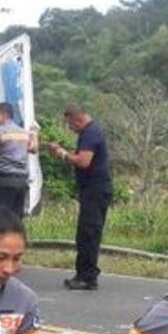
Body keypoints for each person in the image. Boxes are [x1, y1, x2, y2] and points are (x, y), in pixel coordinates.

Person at [47, 105, 112, 291]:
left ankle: (87, 276)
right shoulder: (91, 132)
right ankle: (83, 273)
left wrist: (62, 153)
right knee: (85, 233)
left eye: (70, 124)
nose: (70, 128)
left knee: (89, 234)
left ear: (78, 120)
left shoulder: (91, 134)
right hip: (92, 190)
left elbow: (83, 161)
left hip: (95, 190)